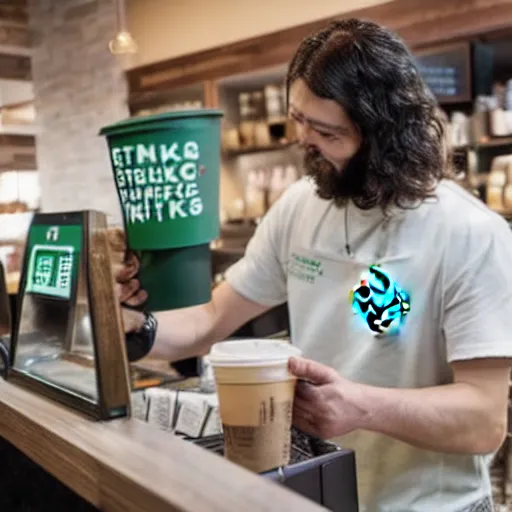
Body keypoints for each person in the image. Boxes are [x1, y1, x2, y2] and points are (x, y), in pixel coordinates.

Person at [117, 19, 512, 512]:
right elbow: (210, 321)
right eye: (298, 119)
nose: (304, 140)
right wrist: (133, 328)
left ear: (385, 134)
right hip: (318, 497)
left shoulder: (470, 234)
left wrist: (360, 407)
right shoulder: (299, 207)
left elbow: (483, 419)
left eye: (326, 131)